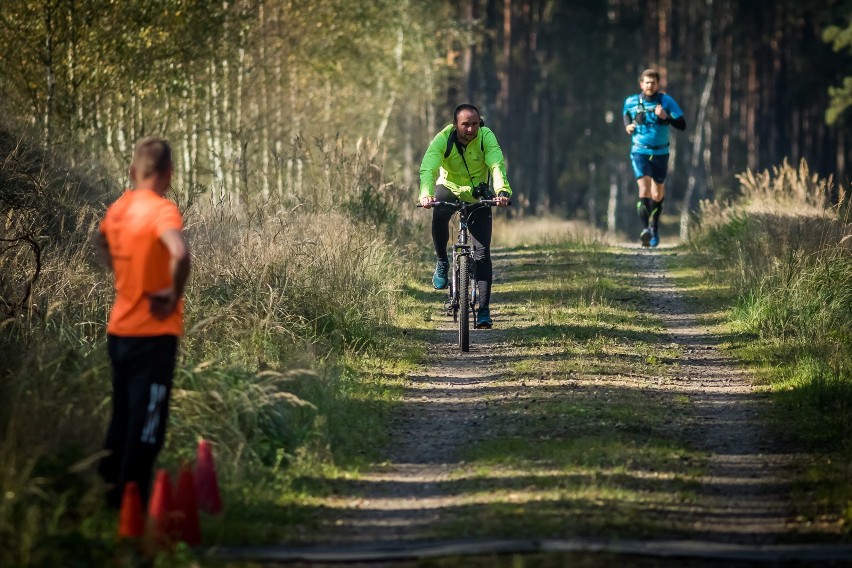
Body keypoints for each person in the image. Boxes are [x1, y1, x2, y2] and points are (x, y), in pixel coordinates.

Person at [95, 137, 190, 509]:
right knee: (148, 421)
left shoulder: (119, 208)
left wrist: (122, 275)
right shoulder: (161, 211)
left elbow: (101, 241)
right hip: (154, 334)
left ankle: (107, 491)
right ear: (168, 174)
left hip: (119, 331)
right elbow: (179, 253)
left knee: (122, 413)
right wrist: (172, 293)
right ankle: (130, 503)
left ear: (134, 171)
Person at [419, 103, 511, 329]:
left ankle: (484, 310)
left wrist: (501, 191)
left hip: (478, 194)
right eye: (465, 124)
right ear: (455, 125)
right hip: (449, 187)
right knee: (440, 213)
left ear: (480, 123)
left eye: (474, 124)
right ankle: (442, 261)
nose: (471, 129)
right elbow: (429, 167)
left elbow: (496, 164)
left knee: (481, 254)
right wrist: (426, 194)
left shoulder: (486, 137)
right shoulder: (443, 139)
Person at [622, 68, 686, 247]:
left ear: (658, 85)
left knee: (657, 193)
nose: (650, 85)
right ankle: (646, 231)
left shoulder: (666, 101)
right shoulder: (631, 101)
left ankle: (654, 226)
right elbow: (626, 115)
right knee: (644, 189)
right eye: (646, 82)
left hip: (661, 153)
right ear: (641, 84)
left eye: (653, 83)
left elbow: (682, 124)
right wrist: (628, 127)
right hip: (639, 151)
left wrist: (666, 117)